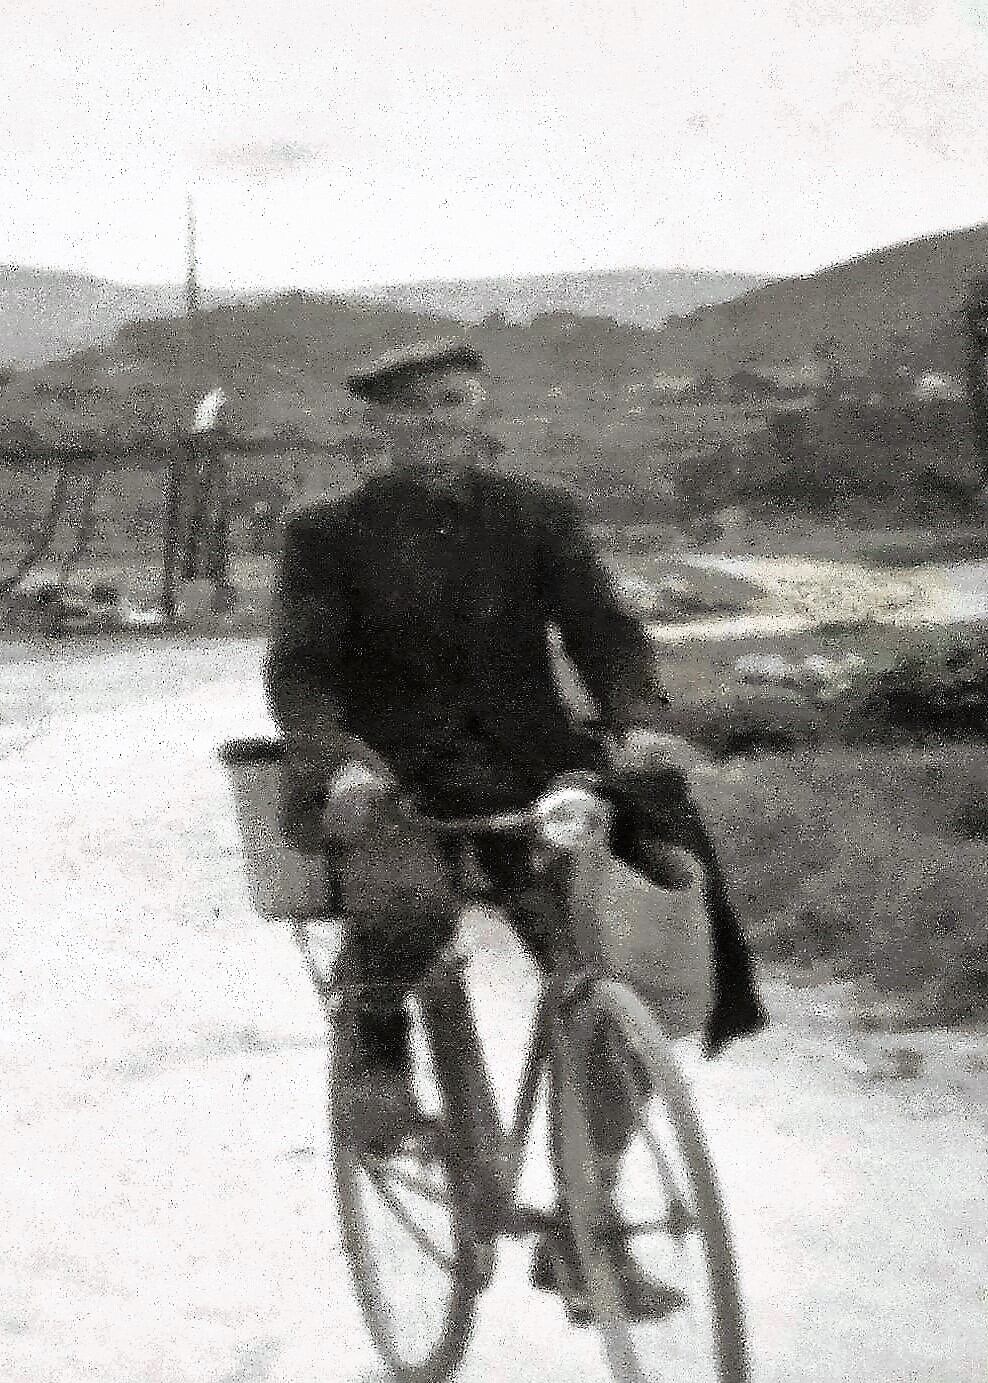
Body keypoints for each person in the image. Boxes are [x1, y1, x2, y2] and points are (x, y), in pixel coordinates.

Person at [263, 339, 760, 1322]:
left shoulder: (538, 516)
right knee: (406, 908)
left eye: (450, 400)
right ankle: (373, 1043)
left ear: (478, 404)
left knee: (616, 980)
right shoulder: (327, 533)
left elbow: (604, 632)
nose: (434, 422)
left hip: (532, 777)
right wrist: (343, 761)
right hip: (392, 784)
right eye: (410, 409)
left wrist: (636, 717)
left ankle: (588, 1227)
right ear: (378, 424)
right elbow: (302, 670)